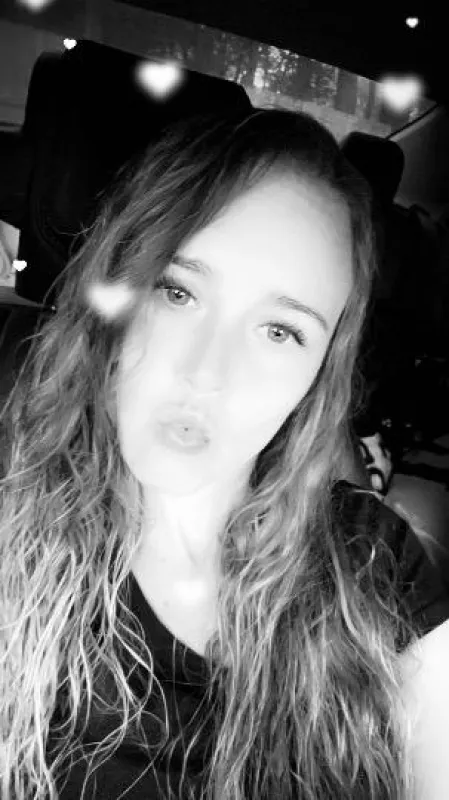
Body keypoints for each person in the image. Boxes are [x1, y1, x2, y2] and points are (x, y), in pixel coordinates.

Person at [1, 108, 449, 800]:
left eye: (280, 331)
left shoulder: (377, 563)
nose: (207, 373)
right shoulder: (11, 521)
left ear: (319, 374)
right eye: (177, 291)